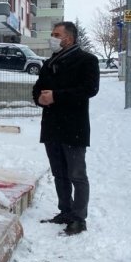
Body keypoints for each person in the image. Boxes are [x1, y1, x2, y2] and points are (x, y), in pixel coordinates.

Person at [32, 21, 99, 235]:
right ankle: (65, 211)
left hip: (73, 127)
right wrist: (39, 99)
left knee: (77, 174)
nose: (52, 37)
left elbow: (89, 89)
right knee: (59, 174)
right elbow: (38, 88)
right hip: (52, 127)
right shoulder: (50, 62)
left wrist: (56, 96)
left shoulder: (87, 60)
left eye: (56, 34)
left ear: (68, 38)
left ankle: (79, 218)